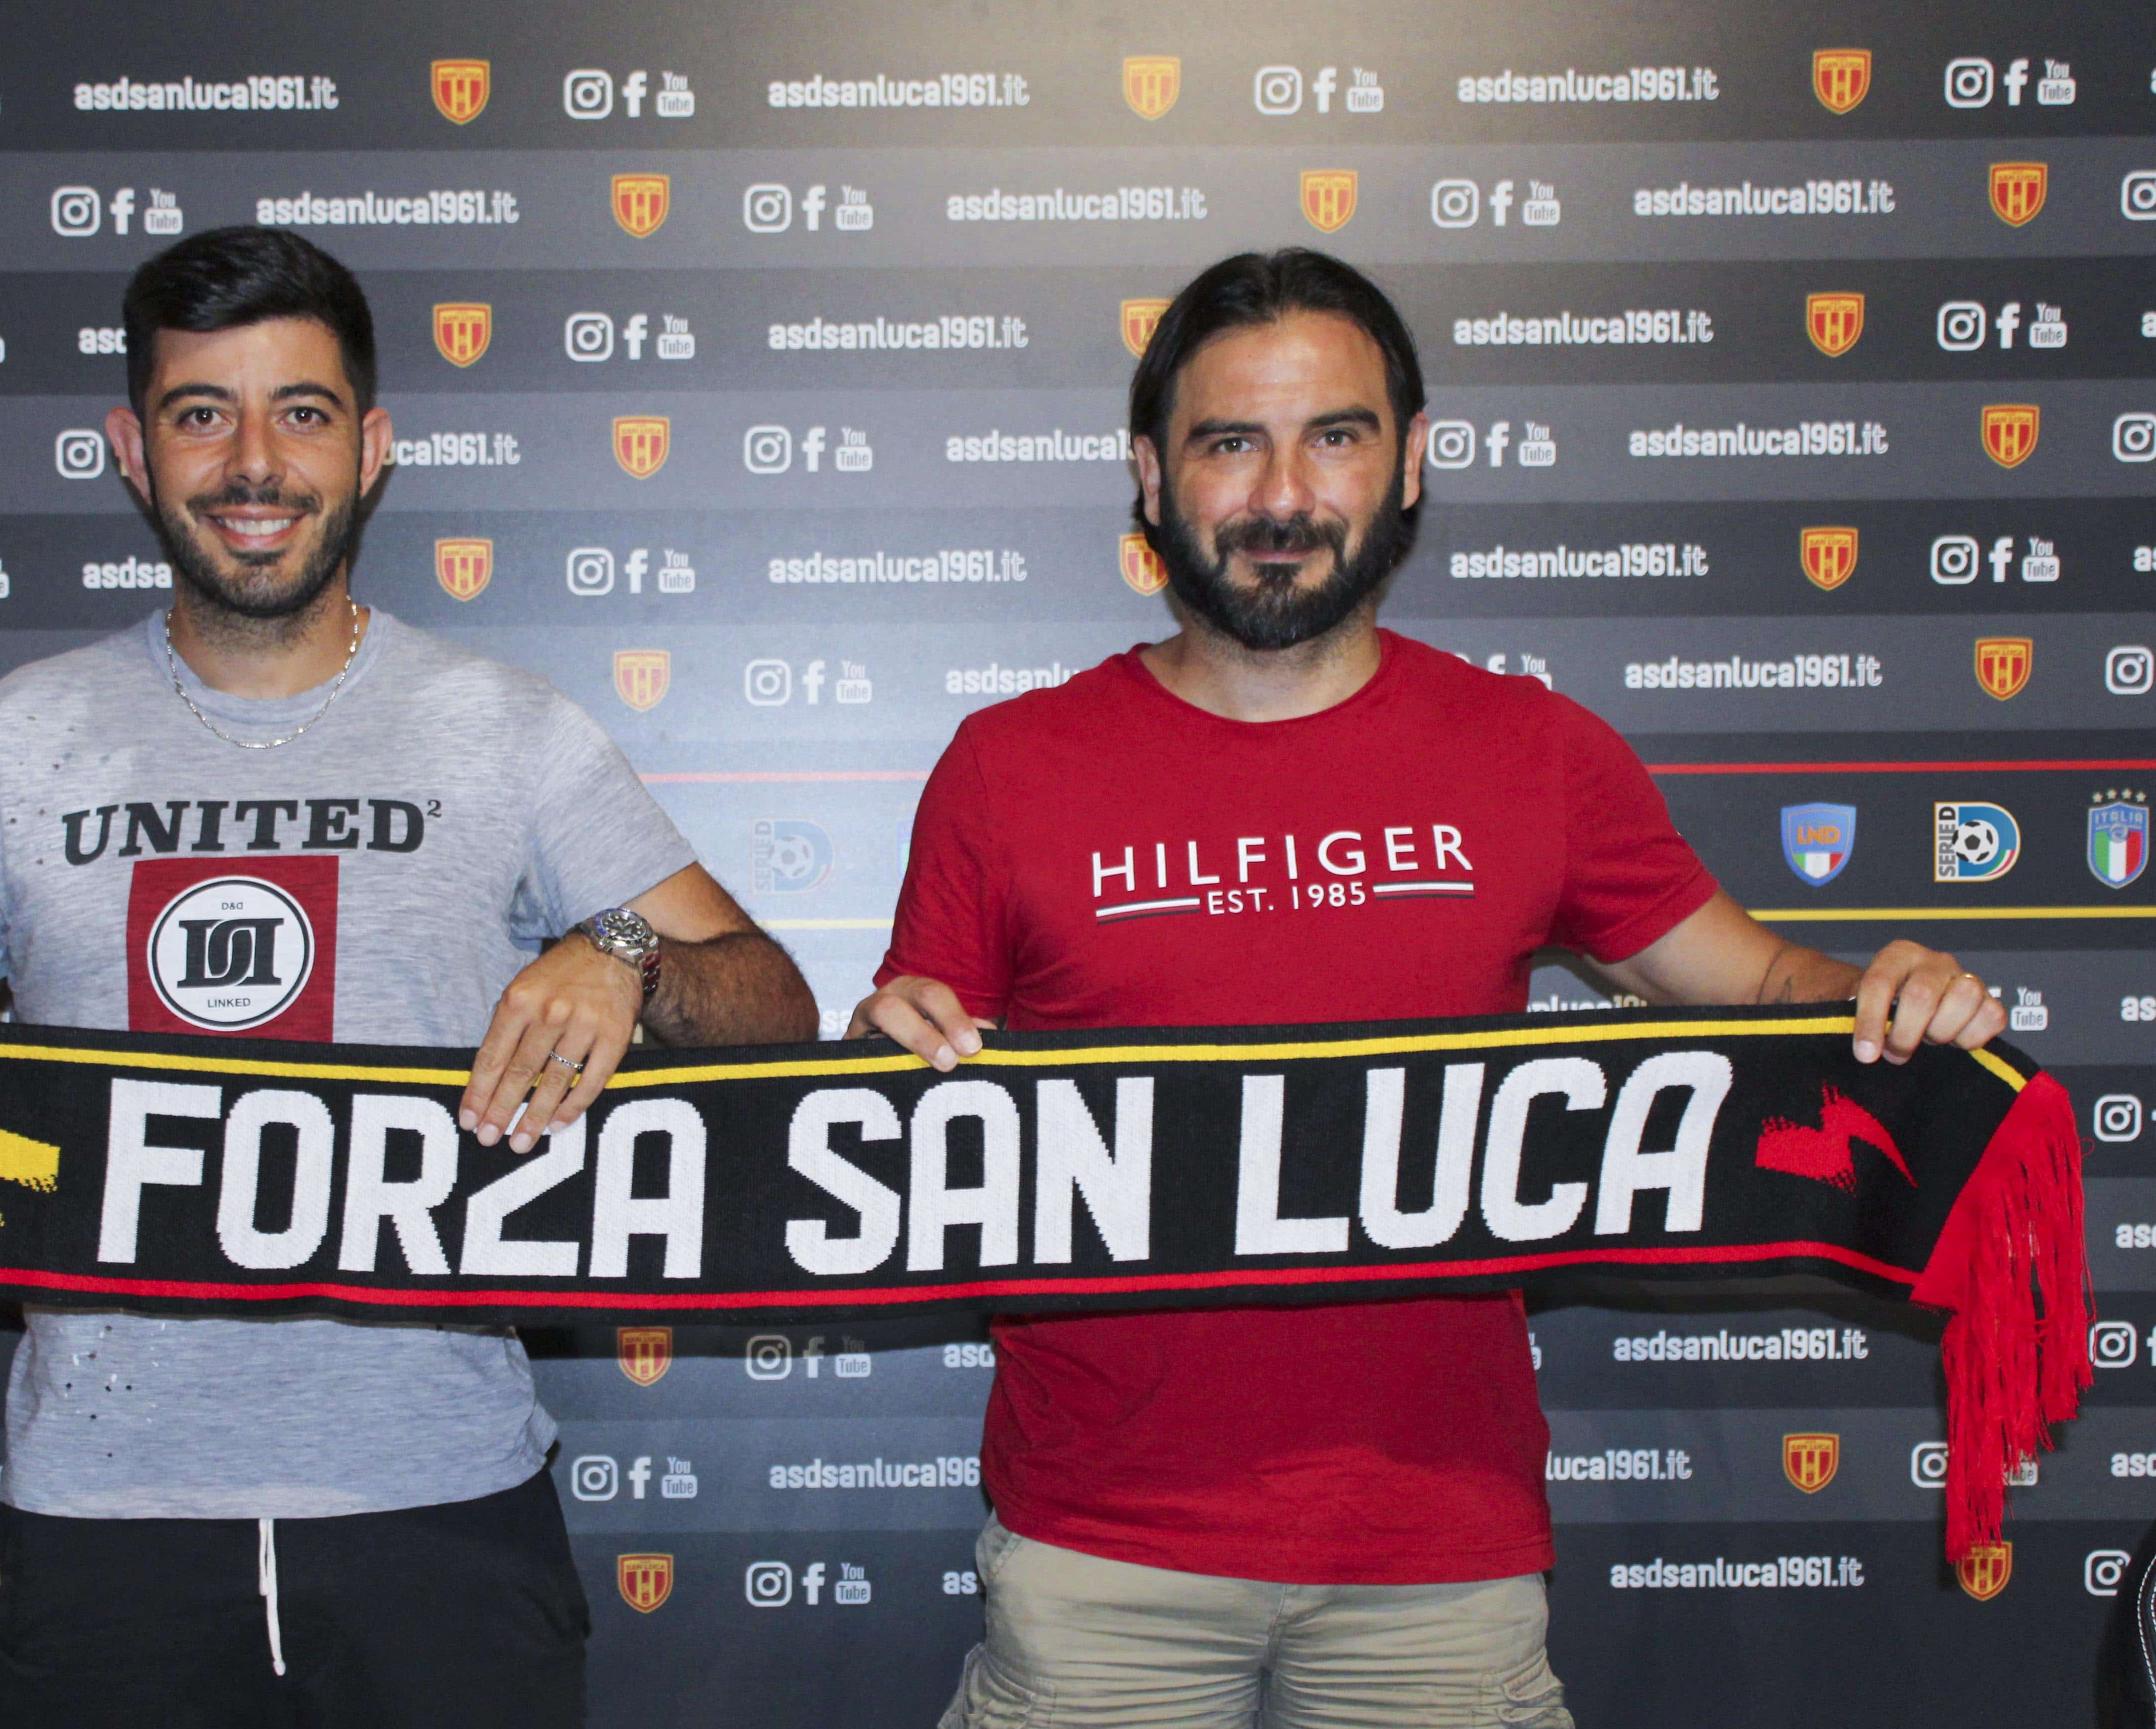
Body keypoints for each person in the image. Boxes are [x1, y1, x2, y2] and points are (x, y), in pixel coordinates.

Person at [851, 249, 2006, 1729]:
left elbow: (1768, 981)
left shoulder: (1533, 751)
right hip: (1102, 1547)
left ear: (1408, 462)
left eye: (1334, 436)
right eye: (1229, 443)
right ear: (1151, 475)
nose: (1282, 495)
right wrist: (877, 1058)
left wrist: (1892, 994)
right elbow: (911, 1081)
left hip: (1439, 1555)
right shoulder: (1009, 769)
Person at [0, 226, 817, 1727]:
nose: (255, 463)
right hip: (107, 1524)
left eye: (303, 412)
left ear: (372, 449)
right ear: (133, 452)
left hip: (442, 1507)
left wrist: (621, 955)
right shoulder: (17, 743)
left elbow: (775, 1010)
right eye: (202, 413)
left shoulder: (508, 731)